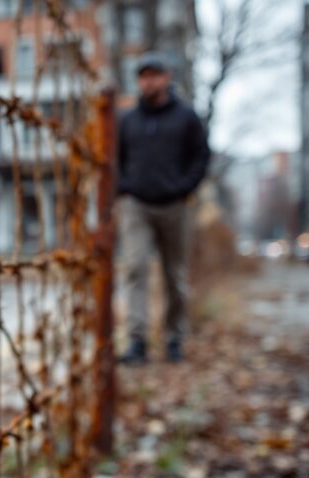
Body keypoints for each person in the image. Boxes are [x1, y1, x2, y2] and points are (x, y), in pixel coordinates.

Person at [117, 52, 210, 365]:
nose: (149, 80)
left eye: (154, 74)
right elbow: (116, 159)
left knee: (175, 274)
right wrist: (124, 188)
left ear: (167, 77)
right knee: (135, 269)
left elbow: (201, 156)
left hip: (174, 206)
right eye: (143, 75)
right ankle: (137, 341)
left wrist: (184, 188)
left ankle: (174, 339)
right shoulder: (127, 120)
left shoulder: (186, 117)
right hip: (137, 205)